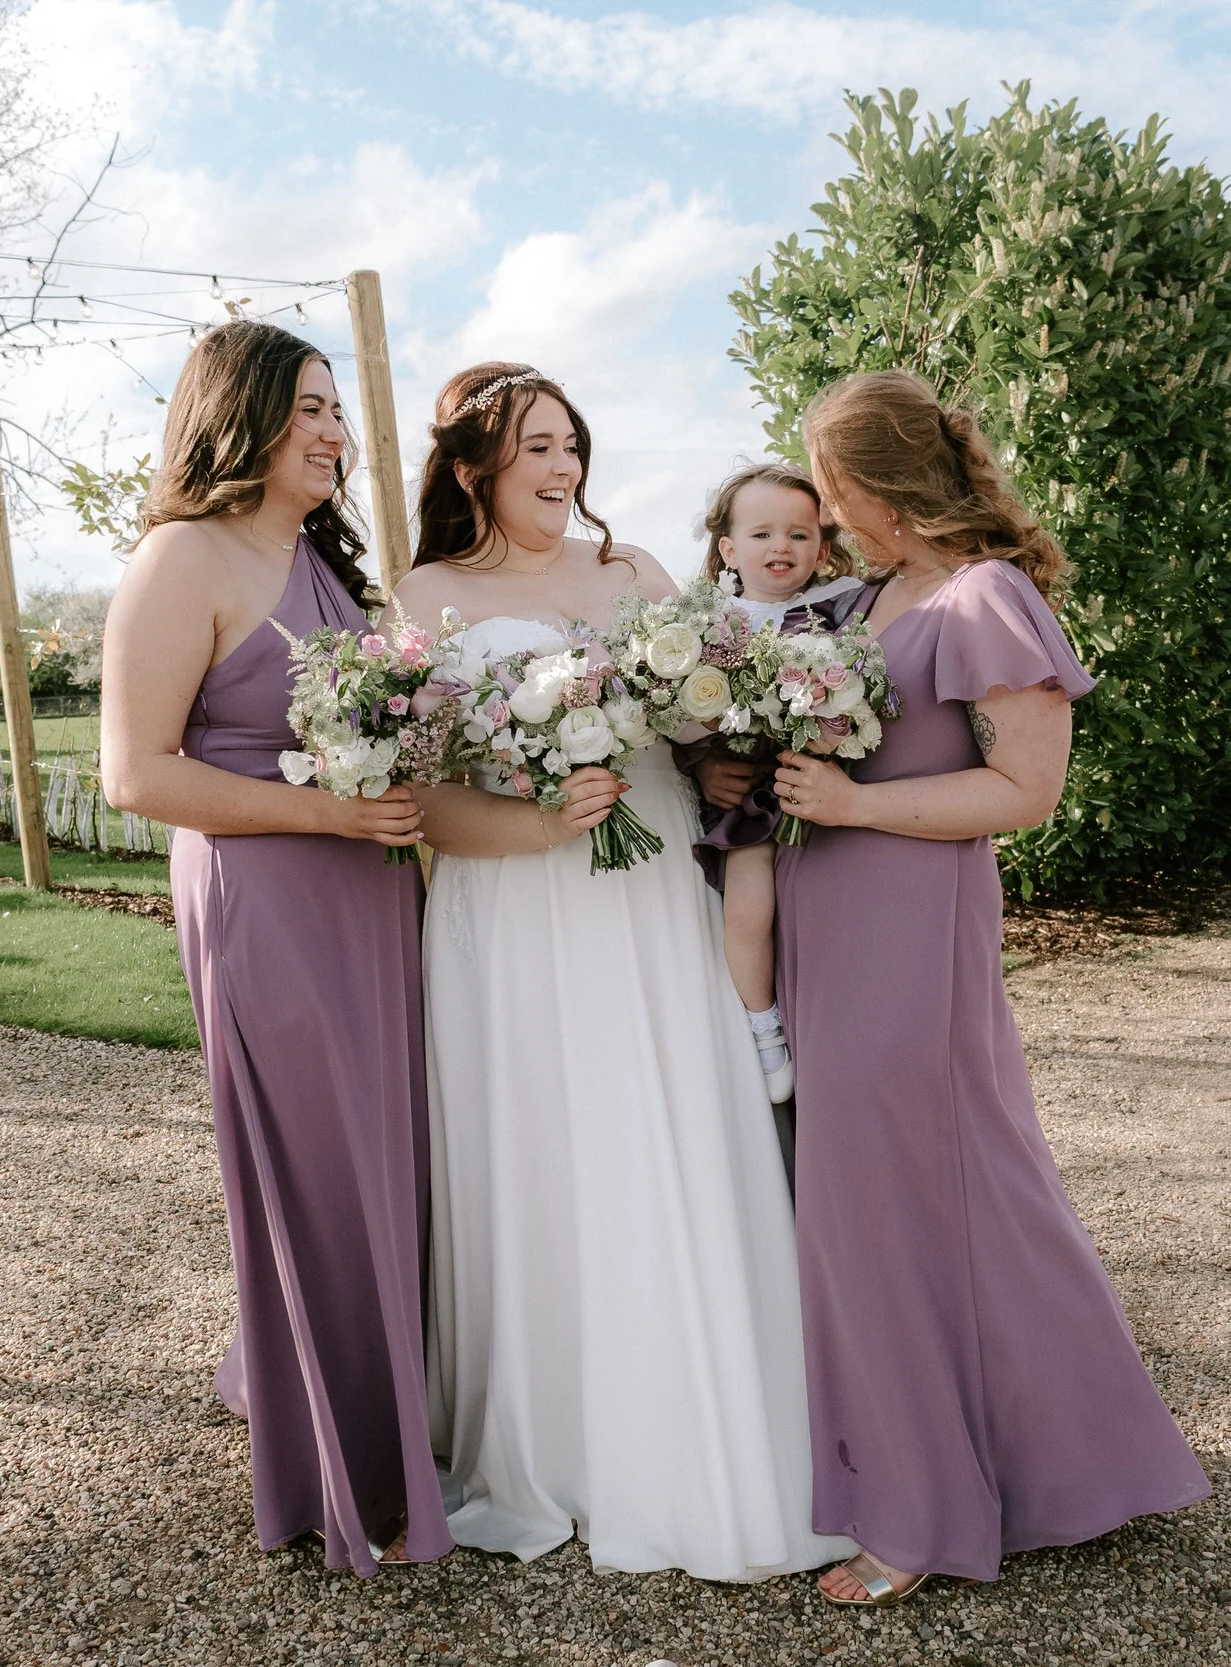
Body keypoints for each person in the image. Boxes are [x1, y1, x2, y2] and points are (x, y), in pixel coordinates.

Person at [719, 369, 1210, 1605]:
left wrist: (854, 802)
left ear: (877, 484)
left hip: (910, 929)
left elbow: (1023, 792)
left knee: (897, 1201)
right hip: (826, 924)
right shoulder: (859, 596)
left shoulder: (985, 596)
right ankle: (1062, 1456)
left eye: (828, 486)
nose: (818, 513)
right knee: (913, 1199)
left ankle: (923, 1510)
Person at [392, 362, 852, 1581]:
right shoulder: (423, 591)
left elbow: (705, 715)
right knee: (540, 1141)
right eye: (536, 448)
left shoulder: (633, 572)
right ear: (472, 466)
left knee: (668, 1127)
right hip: (511, 906)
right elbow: (424, 800)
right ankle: (554, 1442)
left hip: (644, 895)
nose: (562, 470)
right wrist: (539, 819)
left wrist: (717, 757)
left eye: (571, 445)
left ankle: (707, 1431)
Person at [99, 321, 447, 1576]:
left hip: (368, 891)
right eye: (306, 408)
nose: (331, 433)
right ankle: (345, 1467)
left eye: (336, 411)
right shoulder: (178, 559)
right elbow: (134, 773)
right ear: (236, 415)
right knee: (319, 1164)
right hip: (267, 892)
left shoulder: (322, 561)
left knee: (391, 1154)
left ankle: (390, 1419)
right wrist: (330, 811)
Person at [690, 464, 861, 1107]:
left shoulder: (842, 605)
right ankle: (763, 1024)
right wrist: (702, 752)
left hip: (826, 781)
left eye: (799, 533)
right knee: (748, 906)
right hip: (753, 791)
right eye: (762, 534)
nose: (781, 547)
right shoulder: (712, 623)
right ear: (729, 550)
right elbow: (679, 717)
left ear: (822, 543)